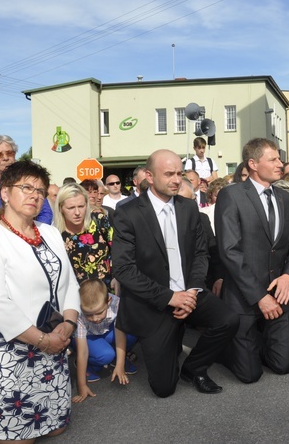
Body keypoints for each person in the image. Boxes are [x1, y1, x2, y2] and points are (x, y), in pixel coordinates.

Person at [0, 160, 80, 441]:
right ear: (5, 193)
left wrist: (69, 323)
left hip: (52, 339)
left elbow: (69, 281)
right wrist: (42, 340)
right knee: (20, 437)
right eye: (26, 187)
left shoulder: (48, 232)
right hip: (9, 347)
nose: (35, 194)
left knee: (56, 426)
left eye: (40, 189)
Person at [112, 149, 238, 397]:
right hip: (154, 301)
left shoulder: (188, 208)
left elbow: (201, 254)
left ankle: (194, 368)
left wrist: (191, 292)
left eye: (179, 173)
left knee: (228, 319)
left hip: (189, 290)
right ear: (149, 175)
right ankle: (171, 342)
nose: (176, 180)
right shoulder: (127, 213)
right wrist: (170, 298)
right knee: (164, 388)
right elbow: (124, 269)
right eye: (169, 174)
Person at [215, 139, 289, 383]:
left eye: (279, 159)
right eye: (273, 159)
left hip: (278, 293)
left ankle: (255, 343)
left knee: (284, 365)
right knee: (250, 375)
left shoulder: (285, 199)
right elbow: (229, 251)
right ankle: (225, 345)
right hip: (244, 298)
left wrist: (288, 276)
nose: (280, 164)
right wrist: (259, 297)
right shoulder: (231, 195)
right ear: (253, 163)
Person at [0, 135, 53, 232]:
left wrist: (28, 233)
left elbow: (46, 214)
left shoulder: (30, 181)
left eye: (10, 153)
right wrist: (3, 235)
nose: (5, 158)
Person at [72, 280, 137, 403]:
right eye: (89, 315)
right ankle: (90, 366)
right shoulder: (78, 313)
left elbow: (120, 334)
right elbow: (83, 352)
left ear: (108, 301)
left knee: (131, 335)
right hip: (88, 338)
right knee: (106, 355)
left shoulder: (116, 303)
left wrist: (120, 364)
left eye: (99, 312)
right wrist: (81, 386)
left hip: (106, 331)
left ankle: (117, 360)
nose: (95, 318)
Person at [53, 184, 114, 289]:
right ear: (61, 208)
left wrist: (117, 278)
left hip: (106, 293)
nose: (77, 212)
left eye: (81, 206)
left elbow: (118, 250)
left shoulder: (99, 220)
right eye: (71, 208)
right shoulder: (55, 235)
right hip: (76, 298)